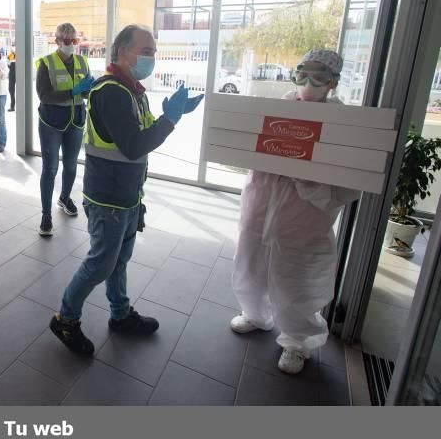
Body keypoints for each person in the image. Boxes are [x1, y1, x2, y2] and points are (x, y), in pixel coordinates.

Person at [49, 25, 203, 355]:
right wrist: (171, 120)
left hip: (127, 194)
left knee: (119, 261)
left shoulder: (131, 89)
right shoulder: (112, 92)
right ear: (122, 52)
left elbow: (139, 135)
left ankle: (120, 314)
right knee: (101, 263)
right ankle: (66, 318)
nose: (151, 58)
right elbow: (134, 147)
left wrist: (167, 115)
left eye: (153, 52)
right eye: (145, 51)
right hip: (108, 198)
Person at [231, 49, 359, 375]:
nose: (308, 82)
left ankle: (297, 342)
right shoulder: (277, 108)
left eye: (319, 76)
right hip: (261, 204)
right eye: (303, 72)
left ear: (333, 82)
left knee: (296, 280)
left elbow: (348, 186)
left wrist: (308, 179)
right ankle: (256, 315)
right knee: (251, 262)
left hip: (304, 219)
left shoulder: (345, 126)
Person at [35, 23, 95, 237]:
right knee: (50, 169)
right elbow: (44, 95)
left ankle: (65, 197)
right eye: (67, 41)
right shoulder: (46, 63)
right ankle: (45, 214)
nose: (71, 44)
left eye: (74, 41)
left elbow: (85, 93)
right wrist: (73, 92)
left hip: (75, 121)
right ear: (58, 40)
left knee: (71, 166)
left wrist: (89, 89)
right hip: (52, 123)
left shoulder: (82, 61)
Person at [8, 47, 17, 112]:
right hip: (11, 73)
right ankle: (12, 106)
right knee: (11, 90)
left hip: (19, 73)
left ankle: (21, 105)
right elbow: (8, 64)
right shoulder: (10, 56)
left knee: (20, 91)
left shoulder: (22, 55)